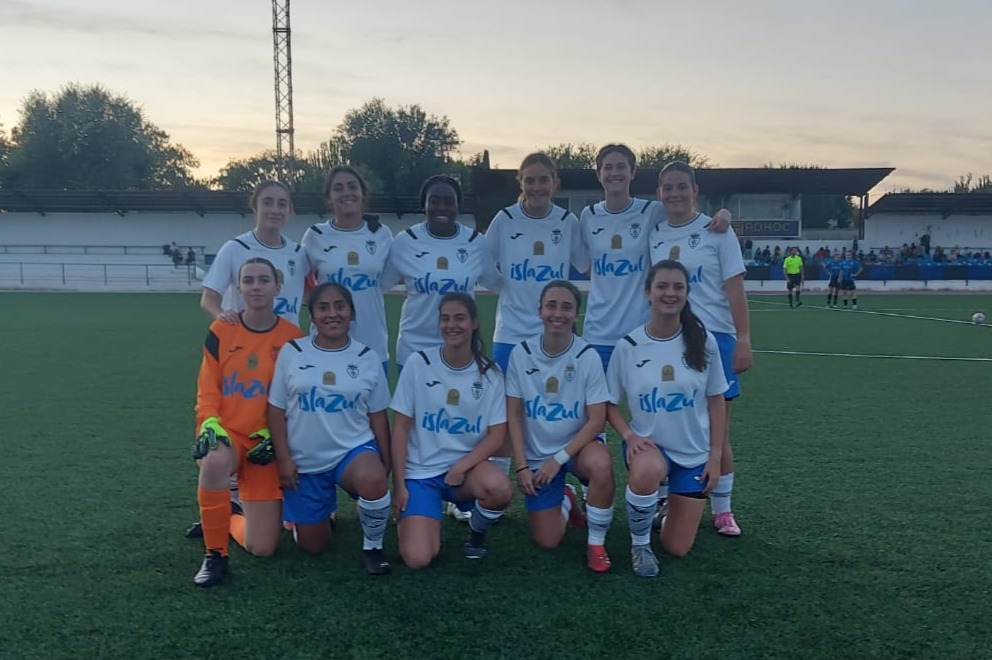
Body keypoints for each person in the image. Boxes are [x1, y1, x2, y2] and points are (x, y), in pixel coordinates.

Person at [648, 162, 751, 538]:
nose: (674, 194)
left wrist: (743, 339)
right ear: (659, 194)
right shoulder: (654, 233)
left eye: (681, 187)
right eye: (667, 188)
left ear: (695, 189)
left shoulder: (717, 232)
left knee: (717, 433)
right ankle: (662, 500)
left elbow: (735, 288)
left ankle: (723, 510)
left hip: (715, 340)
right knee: (665, 424)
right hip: (668, 341)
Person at [606, 260, 728, 576]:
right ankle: (640, 544)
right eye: (662, 286)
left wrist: (714, 458)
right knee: (648, 469)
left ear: (687, 293)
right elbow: (608, 404)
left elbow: (716, 400)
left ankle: (662, 514)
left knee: (678, 547)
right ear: (648, 292)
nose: (669, 293)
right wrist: (629, 436)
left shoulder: (704, 341)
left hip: (693, 455)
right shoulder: (629, 346)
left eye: (678, 287)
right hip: (649, 447)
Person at [267, 283, 393, 575]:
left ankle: (373, 547)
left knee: (372, 480)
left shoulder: (366, 357)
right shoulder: (293, 351)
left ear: (351, 313)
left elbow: (377, 415)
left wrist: (384, 462)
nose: (332, 314)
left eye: (340, 306)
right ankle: (321, 514)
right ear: (312, 316)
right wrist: (284, 459)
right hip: (306, 461)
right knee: (313, 546)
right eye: (323, 307)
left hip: (352, 451)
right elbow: (276, 409)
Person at [191, 257, 302, 587]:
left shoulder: (292, 336)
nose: (256, 286)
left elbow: (295, 397)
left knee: (263, 547)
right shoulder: (221, 330)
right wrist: (209, 422)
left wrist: (276, 433)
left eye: (263, 280)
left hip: (265, 441)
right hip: (228, 433)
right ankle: (215, 555)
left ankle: (225, 516)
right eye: (249, 280)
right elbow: (207, 388)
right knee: (213, 463)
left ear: (277, 287)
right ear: (237, 288)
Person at [581, 144, 731, 372]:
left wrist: (724, 213)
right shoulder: (588, 216)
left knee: (645, 403)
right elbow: (586, 265)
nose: (614, 173)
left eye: (621, 167)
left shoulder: (652, 211)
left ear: (632, 172)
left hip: (643, 331)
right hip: (597, 332)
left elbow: (686, 211)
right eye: (608, 167)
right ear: (598, 174)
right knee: (598, 406)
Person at [390, 293, 512, 567]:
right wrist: (398, 486)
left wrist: (462, 466)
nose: (451, 325)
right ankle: (421, 520)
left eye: (459, 318)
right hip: (421, 473)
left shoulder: (490, 374)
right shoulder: (418, 364)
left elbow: (497, 436)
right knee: (418, 559)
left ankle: (476, 534)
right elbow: (399, 428)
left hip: (465, 473)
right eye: (445, 319)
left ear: (473, 323)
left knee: (499, 489)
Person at [506, 280, 614, 572]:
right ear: (539, 310)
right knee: (548, 540)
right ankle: (565, 498)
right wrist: (521, 466)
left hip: (577, 449)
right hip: (538, 456)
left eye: (567, 307)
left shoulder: (586, 356)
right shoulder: (521, 353)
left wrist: (560, 459)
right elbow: (513, 415)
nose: (558, 313)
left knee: (601, 464)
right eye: (551, 305)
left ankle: (596, 543)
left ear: (576, 314)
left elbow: (596, 420)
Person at [382, 175, 500, 371]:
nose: (441, 208)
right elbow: (379, 284)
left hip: (462, 350)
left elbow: (497, 284)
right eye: (434, 201)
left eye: (449, 202)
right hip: (414, 349)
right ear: (424, 205)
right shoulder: (405, 241)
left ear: (458, 206)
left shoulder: (475, 243)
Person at [486, 154, 587, 374]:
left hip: (554, 333)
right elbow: (482, 263)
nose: (536, 187)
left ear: (554, 183)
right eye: (529, 180)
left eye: (543, 180)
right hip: (510, 334)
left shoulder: (567, 222)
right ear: (520, 182)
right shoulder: (505, 219)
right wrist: (502, 286)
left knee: (550, 404)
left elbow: (585, 265)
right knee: (507, 405)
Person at [301, 166, 393, 374]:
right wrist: (316, 306)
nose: (346, 193)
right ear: (329, 198)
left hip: (372, 344)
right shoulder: (316, 235)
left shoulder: (381, 234)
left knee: (373, 407)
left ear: (362, 193)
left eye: (352, 187)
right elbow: (295, 278)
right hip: (326, 344)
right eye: (338, 188)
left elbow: (386, 280)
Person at [200, 180, 310, 326]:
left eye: (282, 204)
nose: (275, 210)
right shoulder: (234, 248)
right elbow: (209, 299)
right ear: (255, 206)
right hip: (244, 343)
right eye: (267, 203)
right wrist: (221, 314)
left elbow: (310, 295)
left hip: (287, 343)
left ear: (289, 210)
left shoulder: (298, 253)